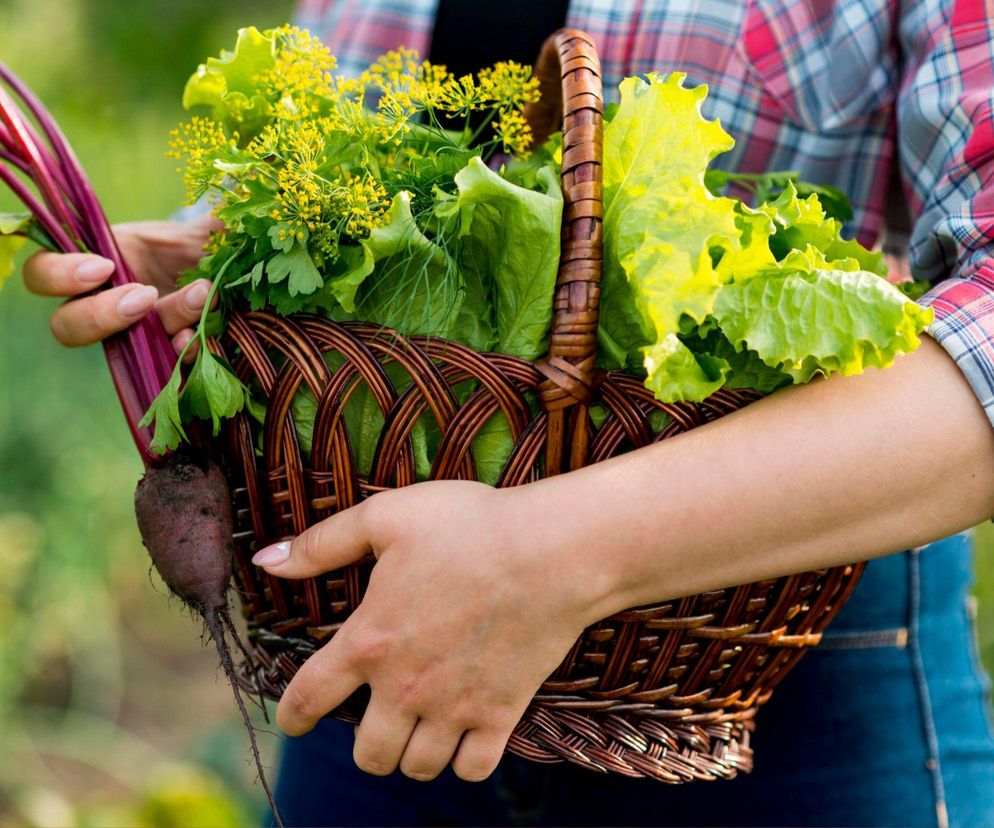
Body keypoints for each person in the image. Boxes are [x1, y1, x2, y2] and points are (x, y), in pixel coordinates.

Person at [19, 1, 994, 825]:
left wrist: (552, 549)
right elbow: (374, 191)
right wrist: (209, 267)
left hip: (771, 656)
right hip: (373, 643)